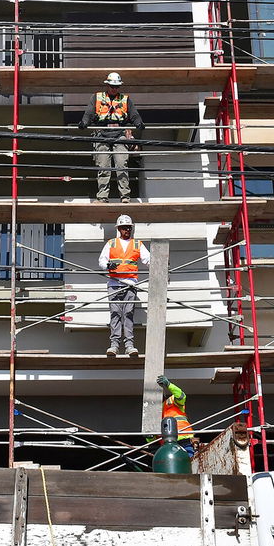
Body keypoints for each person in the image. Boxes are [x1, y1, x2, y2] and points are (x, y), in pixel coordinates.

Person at [77, 72, 144, 203]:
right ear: (107, 85)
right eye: (112, 86)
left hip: (120, 134)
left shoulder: (125, 99)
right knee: (103, 167)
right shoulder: (96, 98)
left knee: (121, 165)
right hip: (102, 134)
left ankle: (125, 197)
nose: (115, 89)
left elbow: (134, 114)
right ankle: (102, 197)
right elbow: (89, 113)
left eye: (117, 86)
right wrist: (84, 123)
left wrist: (139, 123)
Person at [98, 214, 149, 356]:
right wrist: (108, 264)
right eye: (125, 228)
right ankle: (114, 345)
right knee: (115, 315)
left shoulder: (138, 244)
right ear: (119, 229)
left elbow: (149, 260)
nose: (127, 230)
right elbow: (102, 261)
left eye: (129, 227)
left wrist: (160, 265)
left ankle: (129, 345)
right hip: (114, 284)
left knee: (128, 314)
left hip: (130, 284)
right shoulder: (111, 243)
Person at [156, 375, 195, 457]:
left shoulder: (171, 401)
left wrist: (169, 385)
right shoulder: (153, 412)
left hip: (184, 439)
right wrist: (149, 437)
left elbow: (181, 396)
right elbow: (152, 438)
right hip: (167, 445)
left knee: (189, 463)